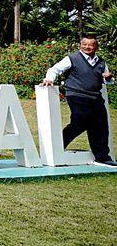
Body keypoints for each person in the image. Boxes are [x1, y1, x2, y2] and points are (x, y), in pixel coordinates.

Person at [41, 35, 117, 167]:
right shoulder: (72, 58)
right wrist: (49, 80)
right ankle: (56, 147)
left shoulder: (101, 62)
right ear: (80, 45)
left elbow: (107, 81)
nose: (87, 47)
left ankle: (102, 158)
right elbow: (55, 69)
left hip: (96, 97)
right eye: (84, 44)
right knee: (79, 122)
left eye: (91, 45)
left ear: (96, 47)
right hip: (76, 95)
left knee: (100, 126)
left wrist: (109, 78)